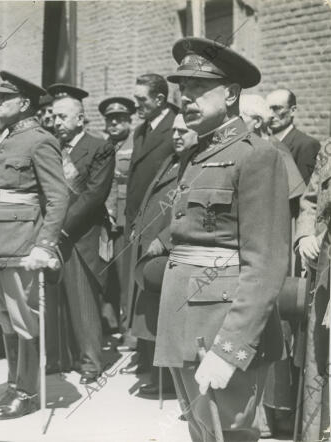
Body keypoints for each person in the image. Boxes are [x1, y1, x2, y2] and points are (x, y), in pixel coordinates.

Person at [154, 37, 290, 442]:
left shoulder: (256, 155)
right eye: (182, 90)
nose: (185, 99)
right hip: (185, 321)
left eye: (197, 90)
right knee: (202, 432)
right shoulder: (194, 155)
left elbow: (265, 264)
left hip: (221, 328)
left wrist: (230, 350)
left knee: (228, 433)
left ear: (231, 94)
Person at [0, 70, 69, 419]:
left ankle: (29, 392)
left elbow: (58, 197)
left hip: (22, 243)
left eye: (5, 97)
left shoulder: (39, 140)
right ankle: (14, 384)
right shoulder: (4, 137)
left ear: (25, 104)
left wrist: (45, 245)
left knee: (24, 321)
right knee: (6, 319)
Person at [240, 93, 306, 437]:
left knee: (270, 333)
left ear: (255, 122)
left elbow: (296, 208)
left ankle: (271, 415)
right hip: (244, 258)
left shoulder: (275, 153)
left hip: (270, 258)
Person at [47, 83, 115, 383]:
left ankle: (91, 362)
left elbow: (94, 195)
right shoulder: (49, 148)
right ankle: (60, 358)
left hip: (81, 234)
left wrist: (60, 227)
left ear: (80, 118)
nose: (57, 122)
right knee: (55, 300)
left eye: (63, 117)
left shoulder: (100, 147)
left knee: (83, 299)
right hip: (51, 232)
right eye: (54, 117)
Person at [128, 112, 197, 397]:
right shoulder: (173, 159)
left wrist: (163, 238)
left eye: (184, 131)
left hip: (173, 249)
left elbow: (190, 209)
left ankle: (169, 383)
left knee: (169, 319)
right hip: (152, 245)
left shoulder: (196, 163)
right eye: (175, 131)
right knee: (152, 315)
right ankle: (159, 376)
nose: (177, 136)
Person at [124, 73, 177, 373]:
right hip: (140, 220)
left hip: (163, 220)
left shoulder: (177, 127)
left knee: (156, 292)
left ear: (159, 99)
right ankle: (144, 358)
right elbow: (135, 179)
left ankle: (158, 366)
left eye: (141, 100)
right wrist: (132, 220)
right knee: (139, 292)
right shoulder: (141, 130)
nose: (137, 106)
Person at [294, 139, 330, 442]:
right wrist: (306, 235)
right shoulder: (329, 147)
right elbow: (311, 199)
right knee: (321, 356)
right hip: (325, 274)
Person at [100, 96, 136, 332]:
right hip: (102, 217)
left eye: (119, 119)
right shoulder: (102, 145)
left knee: (126, 274)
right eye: (110, 120)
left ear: (128, 120)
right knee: (106, 273)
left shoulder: (136, 143)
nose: (114, 124)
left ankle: (128, 329)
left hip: (124, 216)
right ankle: (108, 323)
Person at [267, 88, 321, 185]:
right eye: (268, 109)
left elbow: (303, 191)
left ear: (292, 110)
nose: (270, 115)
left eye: (277, 108)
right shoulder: (264, 142)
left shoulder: (307, 145)